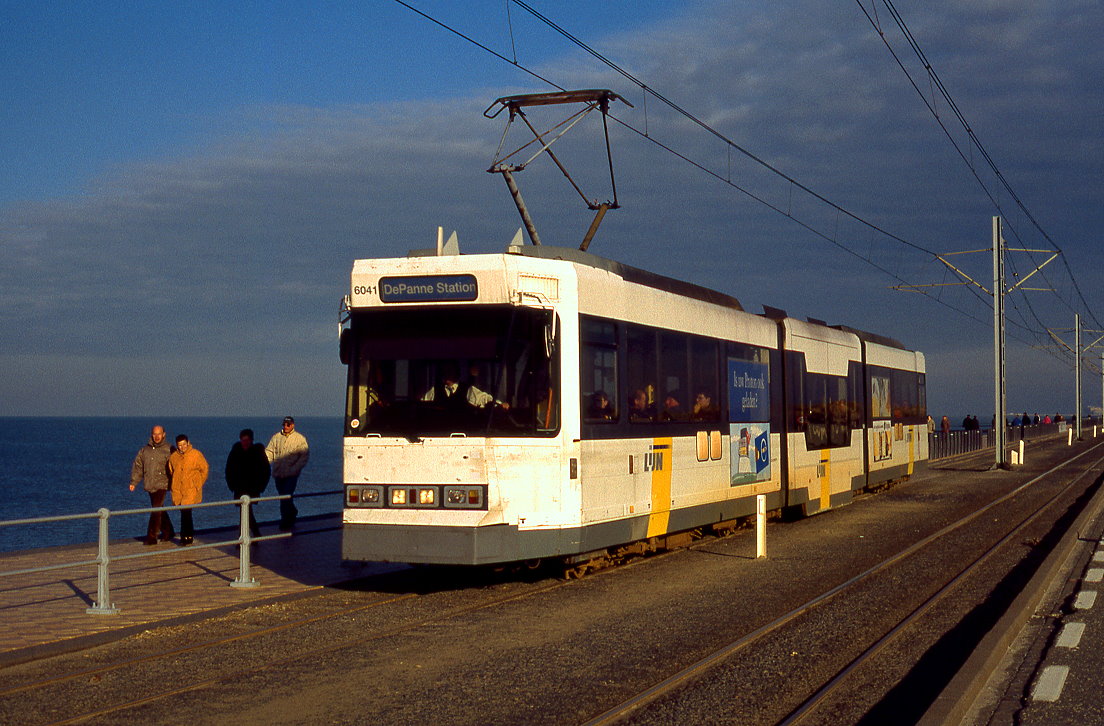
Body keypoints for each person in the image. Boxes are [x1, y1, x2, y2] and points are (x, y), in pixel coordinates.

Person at [129, 424, 176, 545]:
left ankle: (151, 536)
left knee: (155, 509)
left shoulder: (169, 449)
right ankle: (168, 531)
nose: (157, 436)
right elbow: (138, 465)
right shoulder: (145, 450)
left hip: (163, 484)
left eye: (159, 433)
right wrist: (134, 481)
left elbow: (177, 465)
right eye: (154, 434)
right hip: (150, 484)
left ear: (164, 434)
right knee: (159, 509)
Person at [225, 428, 271, 538]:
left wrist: (260, 487)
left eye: (246, 440)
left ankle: (244, 536)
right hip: (239, 487)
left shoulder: (258, 452)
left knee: (245, 512)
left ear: (251, 440)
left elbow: (265, 470)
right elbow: (229, 468)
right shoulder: (236, 451)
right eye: (242, 440)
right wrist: (231, 484)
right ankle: (254, 534)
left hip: (252, 487)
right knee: (245, 512)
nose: (244, 443)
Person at [266, 416, 310, 530]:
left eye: (288, 424)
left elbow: (304, 456)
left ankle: (285, 521)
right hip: (278, 473)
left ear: (293, 425)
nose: (286, 426)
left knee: (286, 495)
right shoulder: (276, 438)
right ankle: (292, 512)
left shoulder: (299, 439)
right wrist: (263, 463)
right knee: (283, 497)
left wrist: (295, 469)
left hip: (291, 474)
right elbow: (269, 452)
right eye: (284, 424)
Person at [168, 434, 209, 546]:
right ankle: (187, 535)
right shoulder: (173, 457)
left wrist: (198, 483)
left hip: (191, 488)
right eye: (180, 445)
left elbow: (204, 469)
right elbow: (172, 471)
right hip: (179, 489)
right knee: (184, 512)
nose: (182, 447)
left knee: (186, 511)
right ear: (177, 445)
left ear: (188, 443)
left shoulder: (196, 454)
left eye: (184, 444)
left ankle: (186, 536)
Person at [421, 365, 509, 410]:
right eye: (445, 371)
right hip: (438, 432)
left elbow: (484, 399)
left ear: (457, 373)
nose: (447, 373)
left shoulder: (468, 389)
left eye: (450, 370)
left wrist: (500, 405)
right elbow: (422, 404)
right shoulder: (435, 390)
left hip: (463, 431)